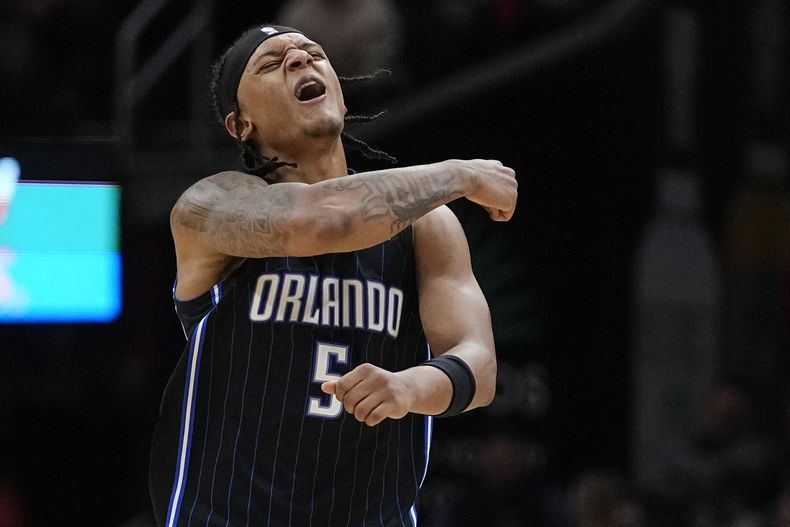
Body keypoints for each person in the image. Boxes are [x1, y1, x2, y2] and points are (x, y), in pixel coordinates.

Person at [148, 24, 517, 527]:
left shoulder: (428, 224)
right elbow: (323, 222)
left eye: (313, 54)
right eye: (273, 63)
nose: (301, 61)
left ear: (342, 100)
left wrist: (411, 386)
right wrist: (462, 174)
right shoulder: (211, 206)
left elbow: (480, 367)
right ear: (241, 125)